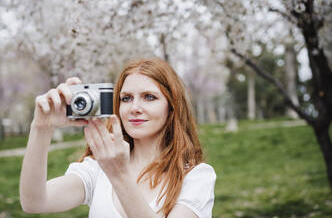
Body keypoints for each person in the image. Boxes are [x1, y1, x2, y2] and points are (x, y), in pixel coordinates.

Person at [19, 57, 216, 218]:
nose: (134, 108)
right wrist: (41, 127)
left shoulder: (197, 177)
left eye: (149, 97)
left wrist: (119, 175)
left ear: (172, 107)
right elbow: (34, 202)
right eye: (126, 98)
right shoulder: (98, 168)